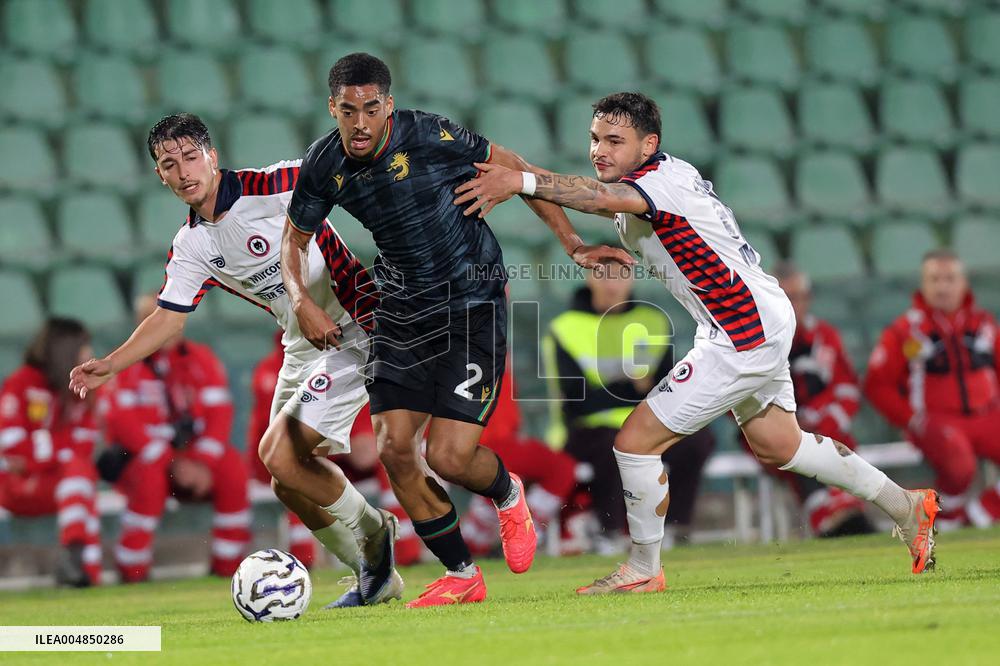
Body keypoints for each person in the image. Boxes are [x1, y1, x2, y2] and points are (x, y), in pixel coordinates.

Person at [456, 91, 940, 593]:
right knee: (780, 443)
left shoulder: (657, 184)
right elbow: (563, 188)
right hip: (750, 316)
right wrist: (523, 182)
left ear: (648, 145)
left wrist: (521, 180)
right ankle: (907, 506)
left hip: (743, 329)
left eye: (614, 141)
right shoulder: (651, 177)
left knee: (635, 442)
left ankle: (644, 569)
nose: (599, 150)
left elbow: (594, 197)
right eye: (595, 138)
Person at [282, 53, 631, 607]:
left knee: (448, 457)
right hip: (400, 309)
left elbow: (516, 169)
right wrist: (302, 301)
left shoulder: (428, 134)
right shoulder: (323, 163)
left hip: (473, 302)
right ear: (333, 109)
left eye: (371, 109)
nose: (361, 123)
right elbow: (294, 240)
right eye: (348, 111)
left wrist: (573, 244)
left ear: (388, 105)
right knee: (395, 448)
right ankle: (462, 573)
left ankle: (507, 492)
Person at [69, 113, 402, 608]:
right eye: (169, 164)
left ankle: (375, 531)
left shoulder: (273, 185)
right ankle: (374, 575)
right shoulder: (192, 245)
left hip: (356, 327)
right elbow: (169, 317)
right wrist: (112, 364)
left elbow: (343, 163)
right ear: (159, 175)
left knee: (280, 455)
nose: (183, 171)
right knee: (285, 480)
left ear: (212, 156)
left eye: (190, 157)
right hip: (301, 344)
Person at [544, 261, 716, 550]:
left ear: (632, 278)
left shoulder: (654, 321)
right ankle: (608, 533)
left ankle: (674, 530)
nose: (612, 283)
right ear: (589, 277)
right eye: (603, 274)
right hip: (587, 430)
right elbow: (578, 401)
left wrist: (616, 389)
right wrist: (634, 387)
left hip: (647, 424)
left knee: (697, 441)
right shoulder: (564, 328)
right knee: (617, 444)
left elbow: (669, 389)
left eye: (621, 274)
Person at [96, 293, 250, 581]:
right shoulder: (123, 363)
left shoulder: (201, 359)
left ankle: (228, 567)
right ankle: (133, 571)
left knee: (232, 469)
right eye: (152, 319)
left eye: (168, 317)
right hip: (143, 458)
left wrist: (203, 461)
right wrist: (171, 461)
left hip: (192, 457)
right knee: (149, 480)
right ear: (140, 325)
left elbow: (220, 413)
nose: (163, 326)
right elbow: (122, 422)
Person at [246, 335, 421, 567]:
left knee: (390, 450)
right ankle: (329, 558)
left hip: (347, 447)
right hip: (292, 453)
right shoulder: (270, 369)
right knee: (288, 469)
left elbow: (364, 442)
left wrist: (359, 436)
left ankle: (401, 552)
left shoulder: (352, 353)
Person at [864, 249, 1000, 528]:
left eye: (950, 279)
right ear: (923, 285)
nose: (942, 287)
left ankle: (977, 516)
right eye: (934, 279)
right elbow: (876, 385)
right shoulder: (906, 330)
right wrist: (912, 419)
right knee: (959, 463)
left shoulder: (984, 324)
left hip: (987, 415)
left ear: (964, 283)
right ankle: (949, 518)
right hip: (937, 419)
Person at [750, 262, 874, 537]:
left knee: (833, 452)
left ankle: (842, 519)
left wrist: (826, 420)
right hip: (772, 434)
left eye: (798, 297)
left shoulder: (825, 337)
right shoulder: (752, 339)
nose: (792, 304)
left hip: (825, 431)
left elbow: (848, 390)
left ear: (808, 299)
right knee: (796, 451)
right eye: (785, 296)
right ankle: (834, 522)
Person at [0, 318, 101, 587]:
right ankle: (76, 563)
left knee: (81, 474)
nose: (89, 353)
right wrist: (58, 452)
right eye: (83, 346)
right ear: (65, 350)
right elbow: (12, 448)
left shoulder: (80, 390)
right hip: (15, 485)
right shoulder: (21, 382)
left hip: (57, 482)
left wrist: (45, 448)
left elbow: (85, 444)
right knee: (79, 473)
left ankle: (84, 572)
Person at [460, 359, 579, 557]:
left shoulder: (496, 358)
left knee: (561, 468)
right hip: (475, 445)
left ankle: (521, 528)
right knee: (498, 482)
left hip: (500, 443)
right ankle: (517, 531)